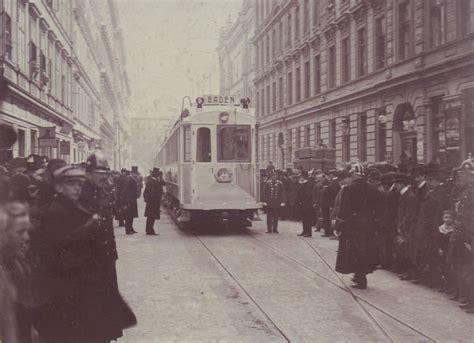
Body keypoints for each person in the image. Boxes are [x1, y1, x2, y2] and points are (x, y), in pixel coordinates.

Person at [335, 161, 381, 289]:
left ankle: (360, 278)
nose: (350, 177)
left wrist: (338, 226)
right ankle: (359, 275)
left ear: (355, 174)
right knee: (365, 250)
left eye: (351, 174)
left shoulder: (349, 189)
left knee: (353, 251)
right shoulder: (372, 188)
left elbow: (344, 210)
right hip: (368, 225)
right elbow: (379, 208)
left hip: (353, 225)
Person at [143, 167, 164, 235]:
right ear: (155, 175)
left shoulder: (154, 181)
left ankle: (149, 229)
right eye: (157, 174)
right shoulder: (152, 182)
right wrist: (149, 199)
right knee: (151, 217)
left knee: (151, 217)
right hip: (153, 202)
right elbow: (151, 192)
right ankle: (149, 230)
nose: (158, 175)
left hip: (153, 202)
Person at [296, 170, 314, 237]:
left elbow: (308, 195)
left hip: (307, 205)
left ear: (304, 177)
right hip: (303, 204)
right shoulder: (304, 184)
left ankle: (308, 232)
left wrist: (303, 202)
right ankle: (304, 231)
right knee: (304, 219)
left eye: (301, 176)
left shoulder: (308, 184)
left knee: (307, 218)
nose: (300, 178)